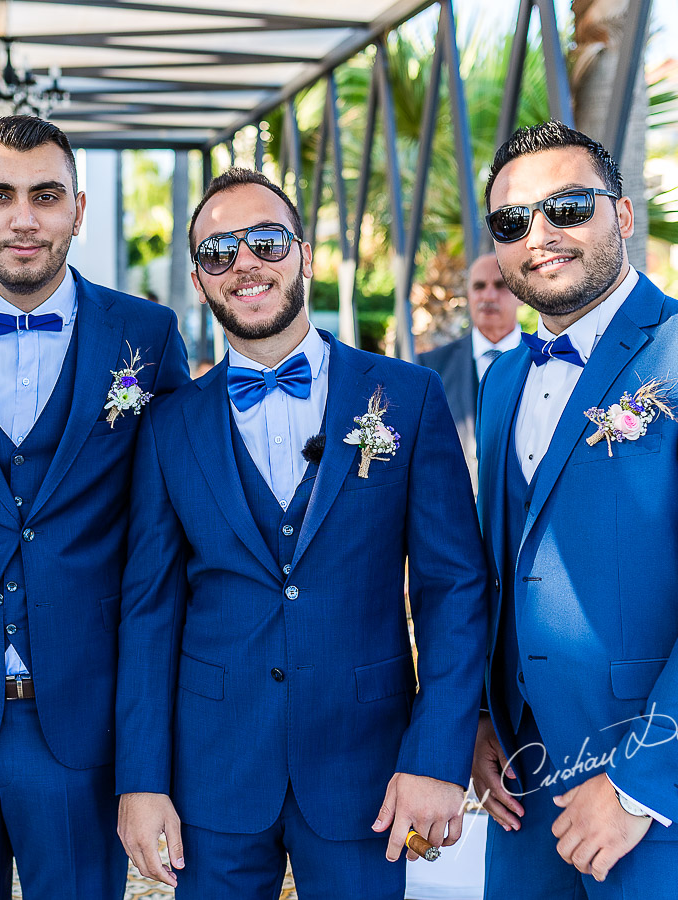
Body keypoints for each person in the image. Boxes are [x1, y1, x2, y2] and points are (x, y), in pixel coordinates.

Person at [115, 168, 487, 899]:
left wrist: (438, 756)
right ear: (199, 279)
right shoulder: (167, 425)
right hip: (214, 771)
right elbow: (149, 611)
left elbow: (453, 590)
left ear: (306, 257)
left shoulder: (406, 399)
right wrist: (141, 780)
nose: (245, 262)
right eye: (219, 251)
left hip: (369, 770)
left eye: (267, 241)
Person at [472, 121, 678, 899]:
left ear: (622, 216)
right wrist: (484, 719)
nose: (541, 235)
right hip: (527, 791)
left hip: (673, 806)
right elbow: (503, 574)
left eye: (568, 207)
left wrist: (635, 790)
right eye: (513, 222)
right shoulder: (501, 386)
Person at [0, 115, 190, 900]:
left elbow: (172, 532)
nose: (24, 217)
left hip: (85, 724)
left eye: (46, 196)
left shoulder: (147, 336)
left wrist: (152, 747)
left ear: (78, 211)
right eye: (1, 195)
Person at [418, 253, 521, 484]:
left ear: (521, 294)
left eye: (500, 285)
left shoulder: (543, 357)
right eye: (479, 286)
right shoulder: (430, 367)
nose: (488, 295)